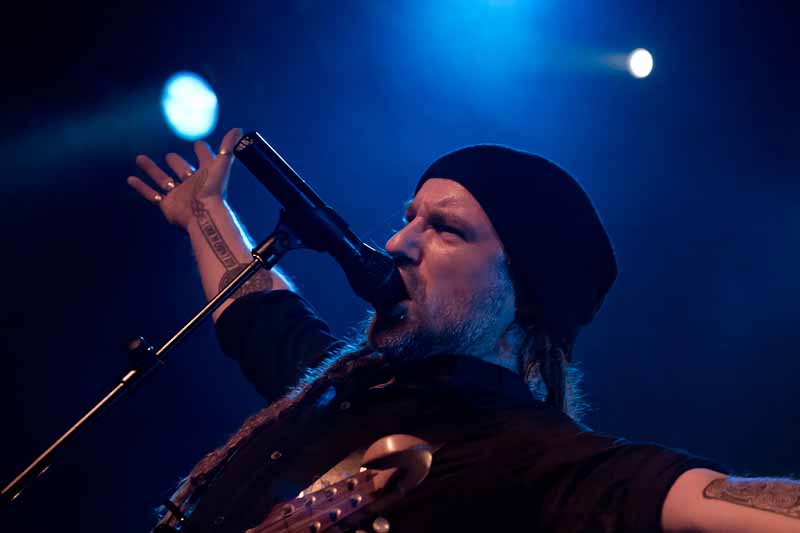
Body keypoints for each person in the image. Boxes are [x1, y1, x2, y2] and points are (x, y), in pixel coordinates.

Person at [128, 128, 800, 532]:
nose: (396, 242)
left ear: (522, 297)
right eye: (409, 216)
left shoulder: (528, 454)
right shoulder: (340, 388)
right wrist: (204, 214)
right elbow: (260, 315)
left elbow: (693, 498)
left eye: (445, 229)